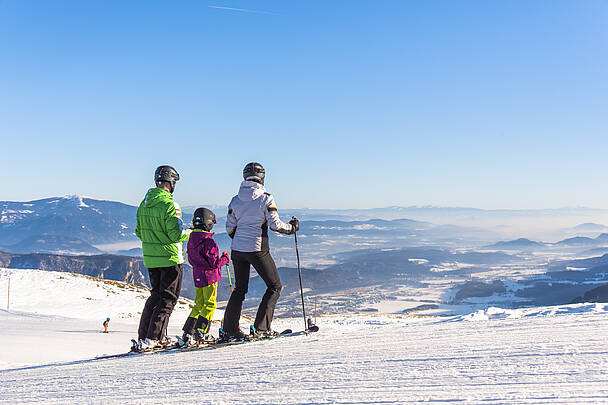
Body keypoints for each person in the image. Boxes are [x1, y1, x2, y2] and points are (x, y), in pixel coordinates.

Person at [222, 162, 299, 340]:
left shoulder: (235, 200)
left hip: (237, 250)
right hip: (257, 248)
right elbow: (275, 225)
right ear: (262, 177)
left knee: (240, 289)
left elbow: (229, 228)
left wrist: (240, 239)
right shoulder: (266, 198)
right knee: (275, 286)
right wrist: (292, 228)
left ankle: (229, 329)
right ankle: (261, 328)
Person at [134, 165, 191, 351]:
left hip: (150, 259)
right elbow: (176, 234)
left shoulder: (144, 204)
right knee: (168, 299)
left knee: (155, 296)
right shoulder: (170, 205)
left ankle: (144, 336)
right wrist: (191, 233)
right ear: (171, 182)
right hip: (169, 258)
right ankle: (155, 337)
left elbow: (139, 232)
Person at [180, 207, 230, 346]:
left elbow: (191, 259)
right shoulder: (208, 241)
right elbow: (214, 264)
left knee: (199, 303)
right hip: (210, 278)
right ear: (208, 223)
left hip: (197, 276)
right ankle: (201, 331)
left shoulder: (192, 240)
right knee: (210, 304)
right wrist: (225, 259)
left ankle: (188, 331)